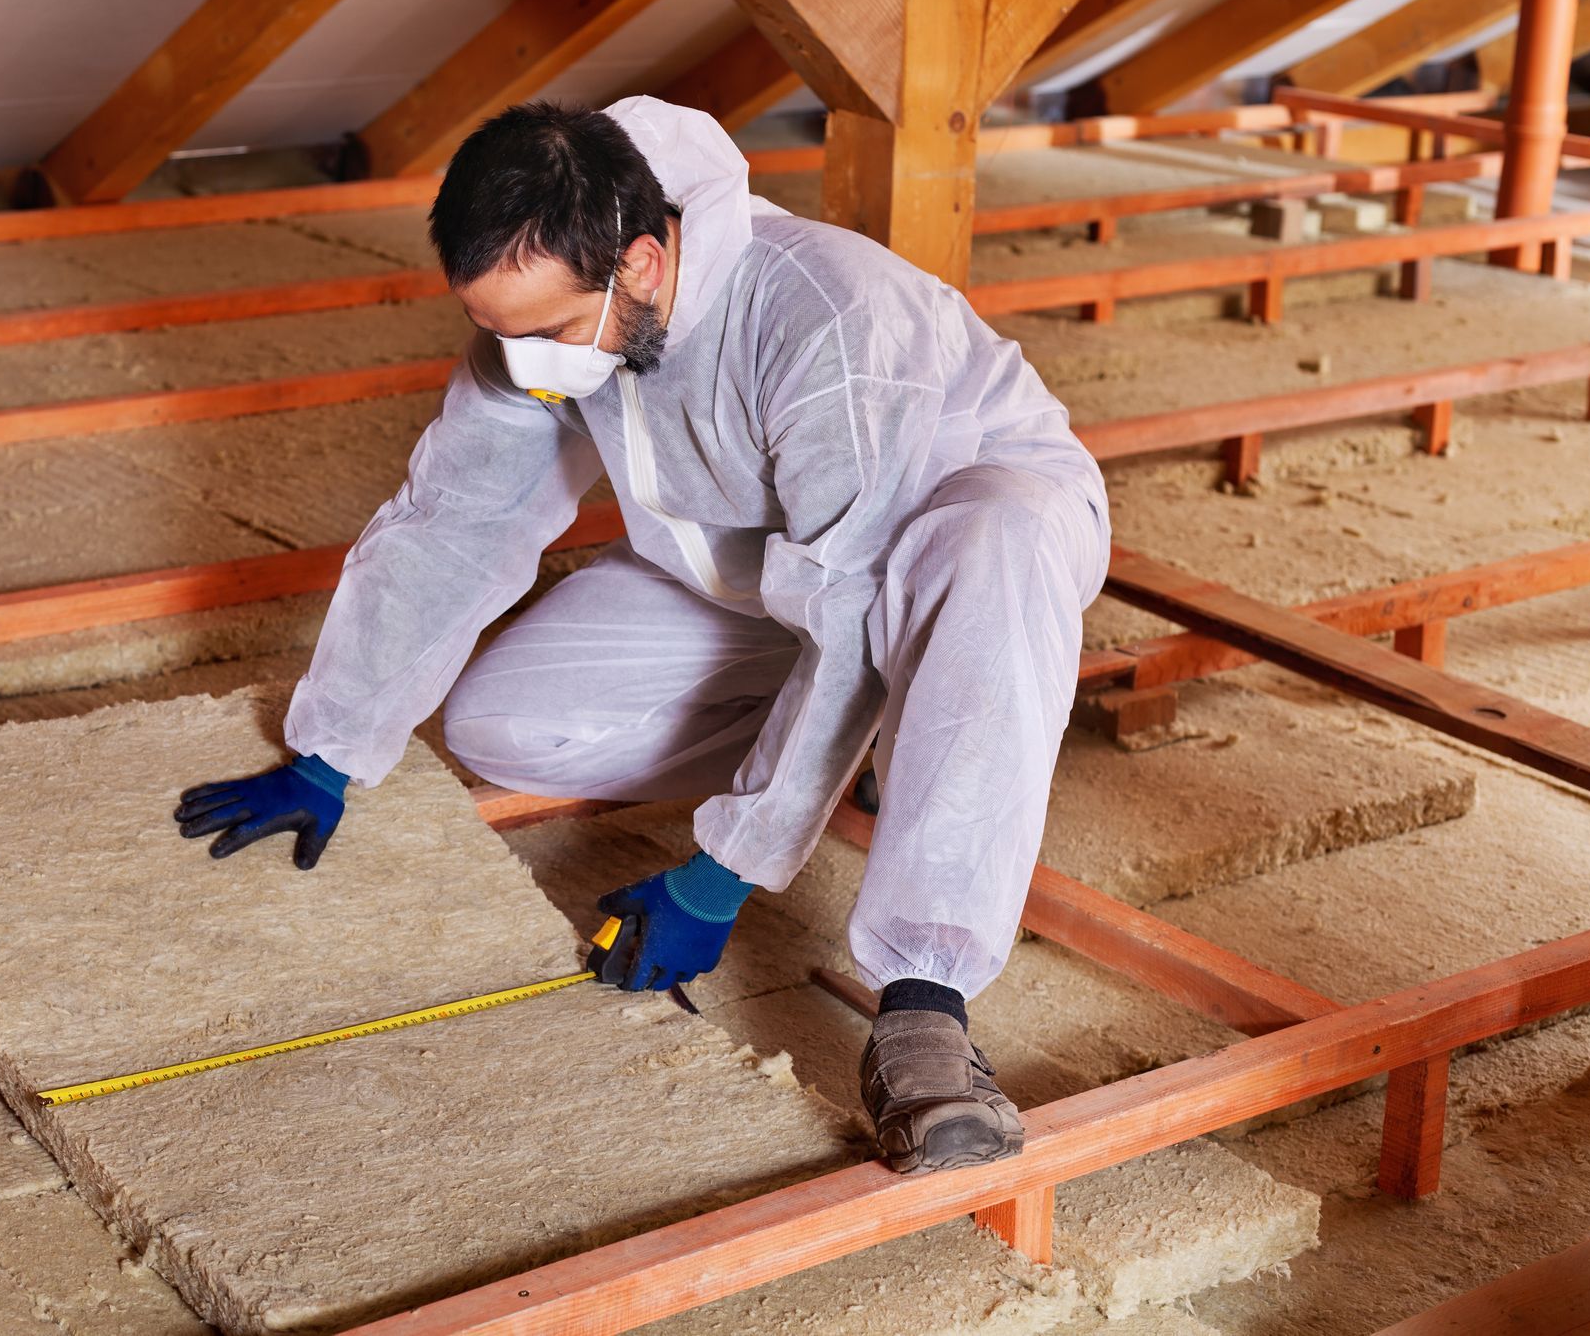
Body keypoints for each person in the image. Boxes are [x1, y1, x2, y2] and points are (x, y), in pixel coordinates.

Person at [174, 97, 1109, 1173]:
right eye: (499, 332)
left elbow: (851, 602)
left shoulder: (830, 318)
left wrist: (722, 870)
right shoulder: (546, 320)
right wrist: (332, 747)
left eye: (551, 333)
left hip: (954, 547)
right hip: (761, 577)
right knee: (506, 721)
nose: (527, 364)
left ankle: (925, 1003)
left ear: (647, 264)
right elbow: (454, 523)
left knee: (986, 543)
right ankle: (863, 743)